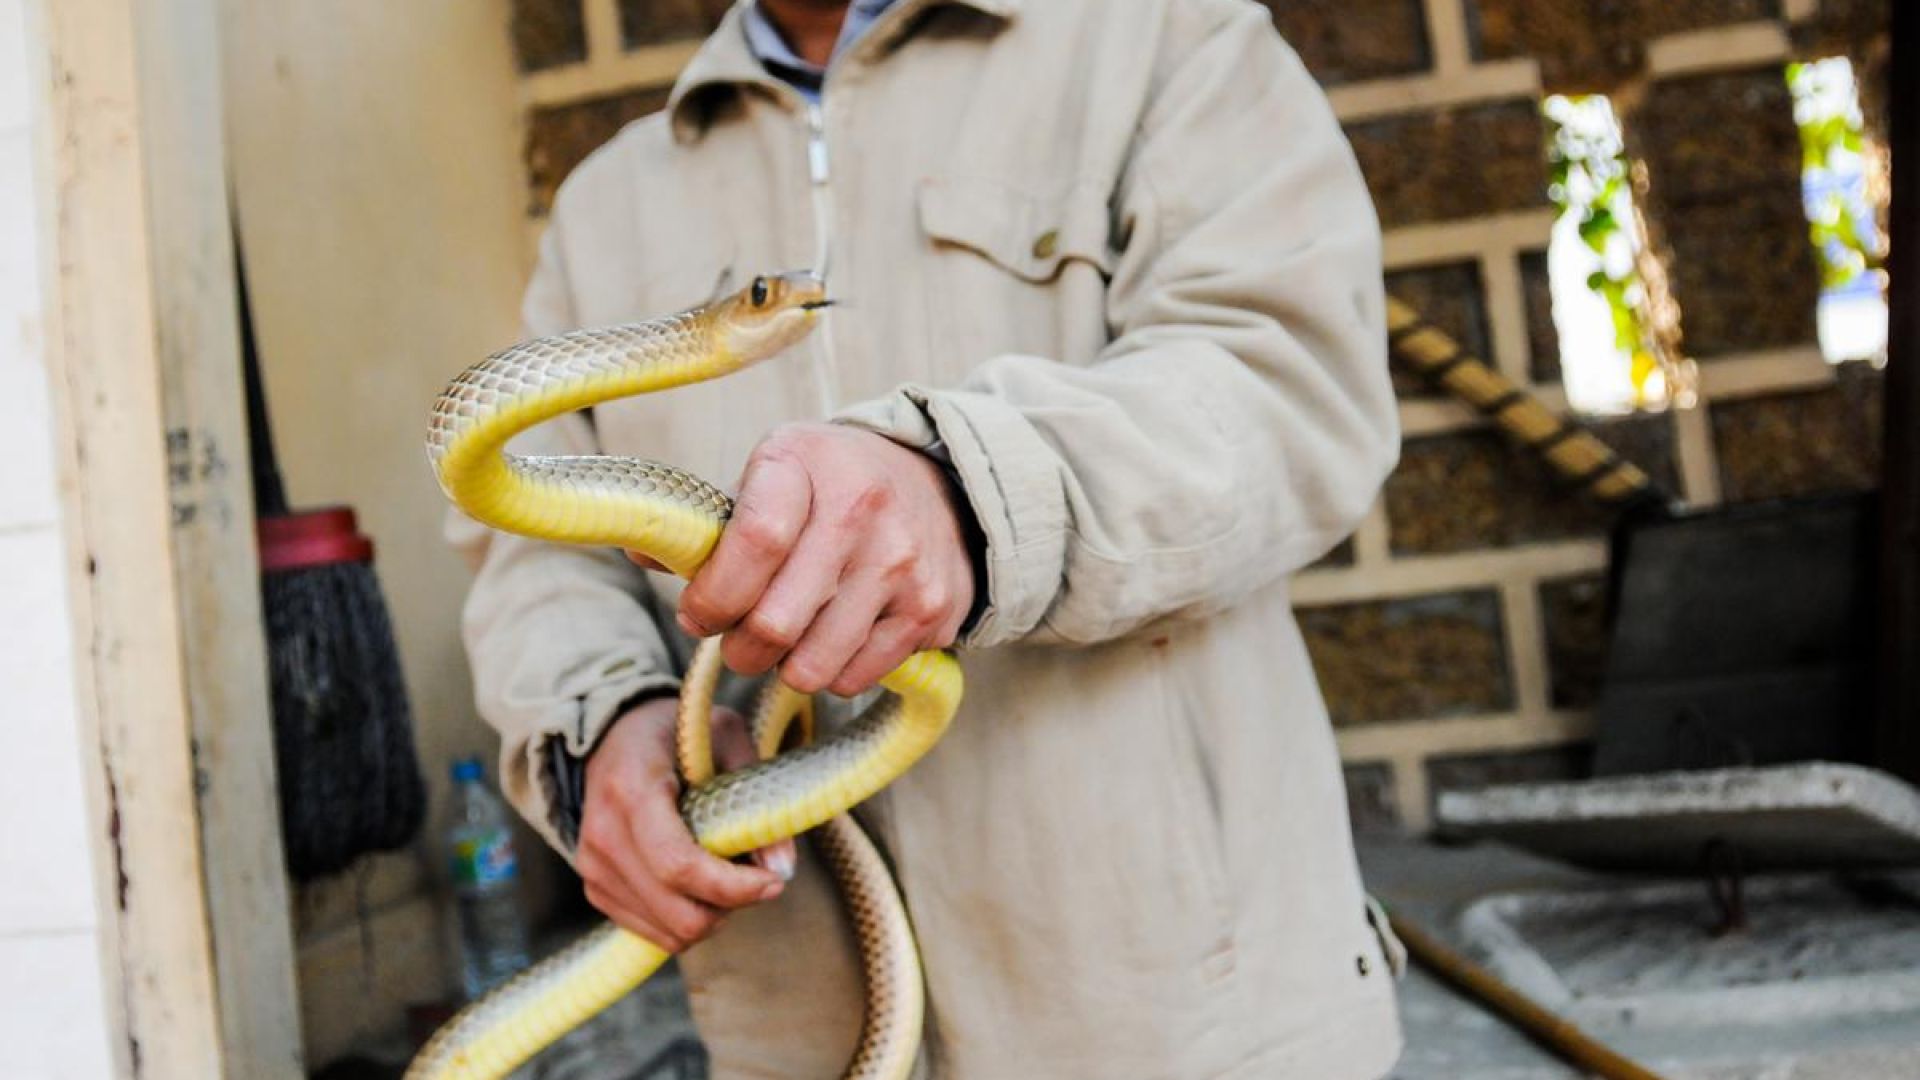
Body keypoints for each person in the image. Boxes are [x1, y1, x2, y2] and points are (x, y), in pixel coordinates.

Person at [451, 0, 1405, 1076]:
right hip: (796, 1035)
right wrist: (599, 729)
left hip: (1185, 1029)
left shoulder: (1166, 40)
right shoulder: (602, 206)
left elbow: (1290, 386)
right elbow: (534, 545)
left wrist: (965, 492)